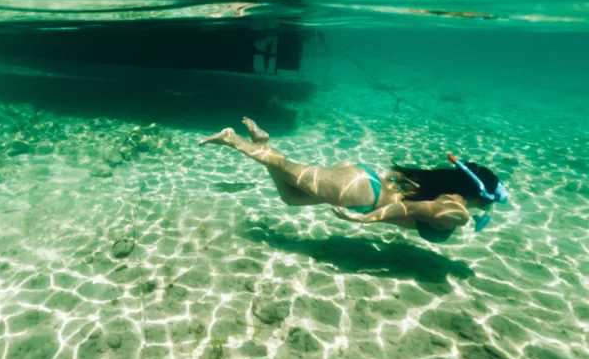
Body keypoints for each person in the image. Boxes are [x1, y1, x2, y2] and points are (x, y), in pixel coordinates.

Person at [200, 118, 508, 242]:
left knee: (291, 196)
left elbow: (411, 206)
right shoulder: (457, 213)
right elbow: (409, 211)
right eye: (486, 202)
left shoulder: (444, 195)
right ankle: (233, 140)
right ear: (478, 194)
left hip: (364, 183)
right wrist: (365, 221)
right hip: (364, 193)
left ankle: (263, 143)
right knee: (291, 170)